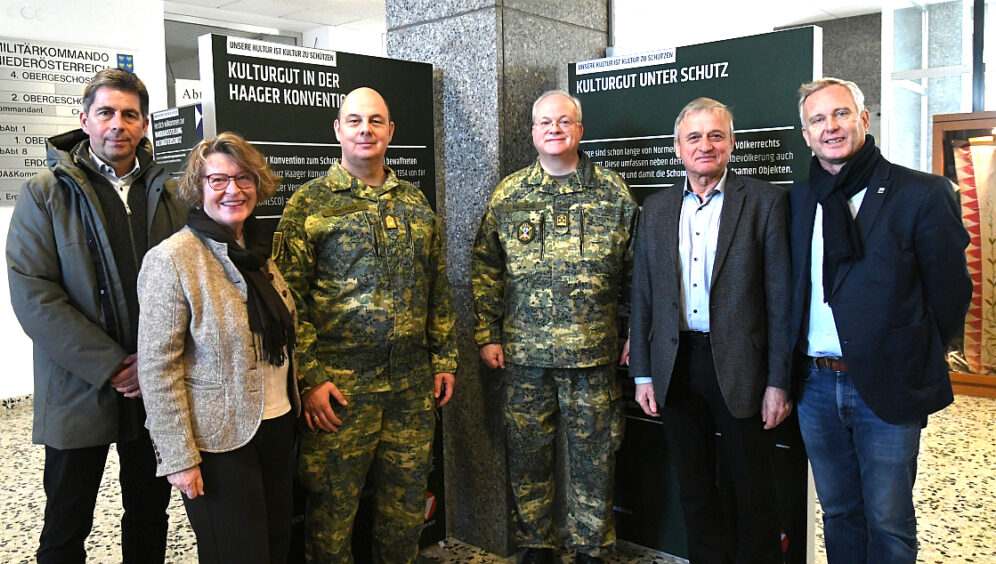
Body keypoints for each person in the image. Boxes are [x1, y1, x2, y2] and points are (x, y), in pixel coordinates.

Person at [789, 77, 971, 563]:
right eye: (818, 120)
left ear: (863, 120)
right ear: (805, 134)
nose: (831, 127)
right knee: (840, 512)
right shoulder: (799, 200)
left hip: (890, 386)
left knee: (889, 521)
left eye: (841, 114)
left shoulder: (923, 193)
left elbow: (951, 292)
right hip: (816, 387)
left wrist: (916, 356)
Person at [6, 68, 184, 563]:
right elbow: (34, 294)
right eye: (106, 113)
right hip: (78, 385)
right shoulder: (45, 192)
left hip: (156, 387)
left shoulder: (170, 193)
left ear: (145, 125)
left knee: (150, 512)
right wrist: (111, 366)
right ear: (84, 121)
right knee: (66, 520)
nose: (117, 125)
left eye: (130, 115)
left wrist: (153, 366)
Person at [274, 86, 458, 564]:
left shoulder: (415, 203)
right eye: (354, 121)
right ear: (338, 130)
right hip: (340, 392)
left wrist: (444, 358)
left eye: (376, 121)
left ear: (390, 131)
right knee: (332, 517)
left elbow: (437, 285)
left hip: (410, 389)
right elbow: (286, 301)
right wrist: (309, 379)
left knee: (402, 513)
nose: (365, 130)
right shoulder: (309, 205)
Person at [471, 90, 637, 564]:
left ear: (580, 130)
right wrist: (487, 333)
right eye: (545, 122)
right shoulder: (509, 194)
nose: (555, 129)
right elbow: (485, 267)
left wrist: (631, 335)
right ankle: (536, 544)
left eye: (565, 122)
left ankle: (591, 547)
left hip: (593, 355)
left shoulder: (612, 191)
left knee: (595, 457)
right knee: (526, 457)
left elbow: (636, 273)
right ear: (532, 133)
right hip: (525, 356)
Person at [628, 97, 791, 563]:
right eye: (694, 137)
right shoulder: (656, 210)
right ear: (677, 147)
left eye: (716, 135)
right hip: (677, 366)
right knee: (695, 489)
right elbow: (643, 297)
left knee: (753, 491)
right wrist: (643, 374)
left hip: (743, 369)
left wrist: (778, 381)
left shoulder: (765, 202)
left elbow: (781, 302)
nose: (705, 145)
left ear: (731, 144)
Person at [137, 133, 299, 563]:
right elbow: (157, 368)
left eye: (244, 177)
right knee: (237, 554)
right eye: (218, 180)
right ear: (198, 187)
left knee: (276, 547)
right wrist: (178, 457)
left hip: (277, 424)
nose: (234, 189)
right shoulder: (173, 259)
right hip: (219, 441)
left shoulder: (258, 251)